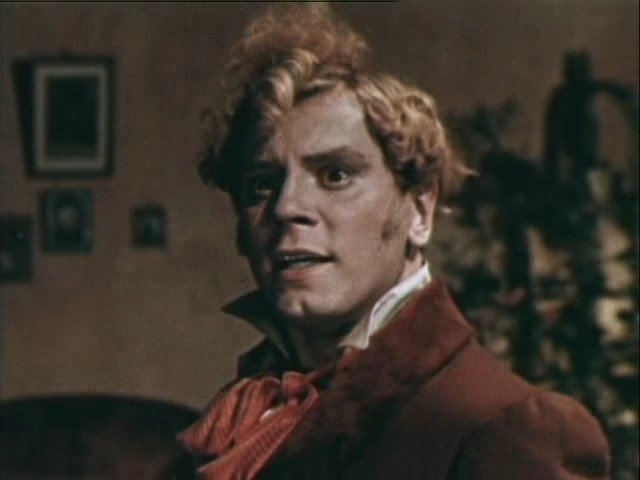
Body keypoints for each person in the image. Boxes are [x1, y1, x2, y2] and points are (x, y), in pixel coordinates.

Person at [178, 4, 610, 479]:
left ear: (419, 211)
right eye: (262, 184)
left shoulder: (510, 429)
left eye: (335, 175)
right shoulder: (239, 413)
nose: (286, 207)